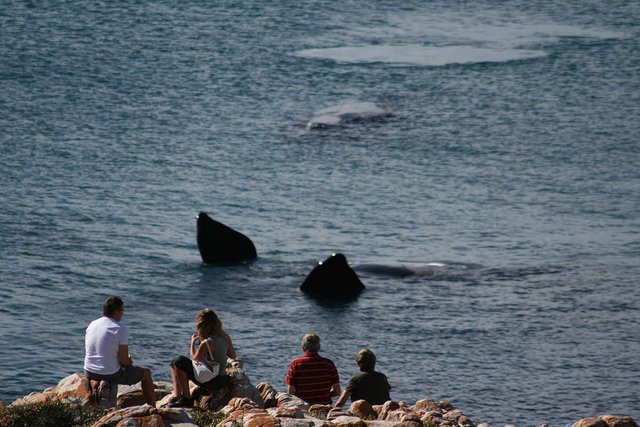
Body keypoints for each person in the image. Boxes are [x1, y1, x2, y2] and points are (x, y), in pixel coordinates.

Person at [84, 296, 156, 406]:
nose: (123, 313)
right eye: (122, 310)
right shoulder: (120, 328)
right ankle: (153, 408)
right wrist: (129, 362)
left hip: (89, 371)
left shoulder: (92, 324)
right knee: (146, 374)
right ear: (116, 311)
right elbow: (123, 359)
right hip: (109, 373)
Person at [167, 308, 237, 407]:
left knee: (178, 361)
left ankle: (186, 398)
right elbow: (233, 356)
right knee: (175, 362)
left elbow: (194, 358)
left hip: (210, 380)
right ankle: (178, 395)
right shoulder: (225, 337)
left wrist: (192, 342)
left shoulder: (207, 342)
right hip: (221, 380)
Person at [286, 333, 341, 405]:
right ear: (319, 347)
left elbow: (290, 393)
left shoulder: (295, 364)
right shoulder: (329, 364)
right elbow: (337, 391)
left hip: (303, 407)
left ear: (303, 347)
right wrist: (325, 395)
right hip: (324, 406)